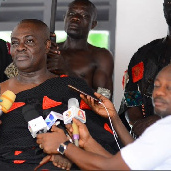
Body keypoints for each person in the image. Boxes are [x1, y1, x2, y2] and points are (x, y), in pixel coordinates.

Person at [0, 19, 120, 170]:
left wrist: (69, 153)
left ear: (47, 46)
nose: (20, 47)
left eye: (29, 41)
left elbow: (98, 140)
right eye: (15, 42)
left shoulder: (73, 87)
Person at [37, 64, 171, 170]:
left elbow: (111, 167)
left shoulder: (165, 131)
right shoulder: (162, 129)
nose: (159, 92)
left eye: (168, 88)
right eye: (157, 85)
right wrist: (90, 140)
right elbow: (136, 158)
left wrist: (63, 146)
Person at [118, 0, 171, 138]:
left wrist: (160, 123)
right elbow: (131, 95)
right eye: (168, 1)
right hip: (143, 140)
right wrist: (138, 123)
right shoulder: (144, 54)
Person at [47, 0, 114, 99]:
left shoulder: (101, 56)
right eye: (71, 13)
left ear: (93, 24)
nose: (75, 18)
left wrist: (67, 71)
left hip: (81, 113)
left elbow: (104, 100)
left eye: (84, 15)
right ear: (64, 18)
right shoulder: (49, 50)